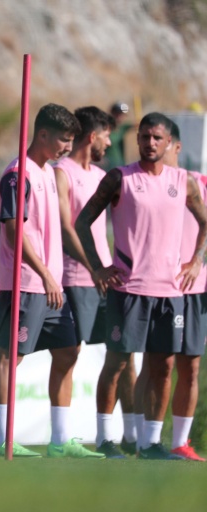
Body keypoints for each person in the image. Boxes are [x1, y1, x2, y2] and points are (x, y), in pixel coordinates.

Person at [75, 112, 207, 459]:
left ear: (169, 143)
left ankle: (151, 443)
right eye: (145, 136)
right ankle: (105, 439)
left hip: (170, 293)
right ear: (137, 140)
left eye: (156, 138)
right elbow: (82, 221)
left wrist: (196, 261)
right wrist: (98, 268)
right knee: (117, 364)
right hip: (128, 290)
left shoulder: (184, 181)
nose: (150, 142)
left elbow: (205, 223)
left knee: (163, 368)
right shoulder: (120, 178)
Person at [0, 103, 104, 458]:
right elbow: (13, 232)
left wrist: (82, 269)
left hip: (50, 286)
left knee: (68, 351)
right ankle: (2, 438)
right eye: (64, 140)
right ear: (42, 134)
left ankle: (60, 440)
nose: (68, 147)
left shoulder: (49, 173)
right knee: (9, 357)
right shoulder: (17, 174)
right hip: (27, 283)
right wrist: (45, 275)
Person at [52, 106, 137, 458]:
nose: (110, 142)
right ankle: (61, 439)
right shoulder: (61, 172)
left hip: (107, 280)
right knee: (68, 356)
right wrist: (93, 268)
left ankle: (131, 435)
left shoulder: (103, 176)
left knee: (124, 355)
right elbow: (65, 227)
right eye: (106, 135)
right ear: (92, 136)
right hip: (76, 279)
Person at [163, 122, 206, 461]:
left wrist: (197, 263)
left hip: (197, 290)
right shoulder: (138, 181)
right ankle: (141, 438)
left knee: (190, 367)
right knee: (158, 366)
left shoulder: (200, 182)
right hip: (160, 287)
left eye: (160, 140)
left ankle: (180, 442)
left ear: (176, 147)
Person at [104, 102, 133, 170]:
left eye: (122, 115)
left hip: (120, 164)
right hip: (107, 166)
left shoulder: (122, 128)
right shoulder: (104, 128)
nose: (120, 117)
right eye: (118, 114)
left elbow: (138, 124)